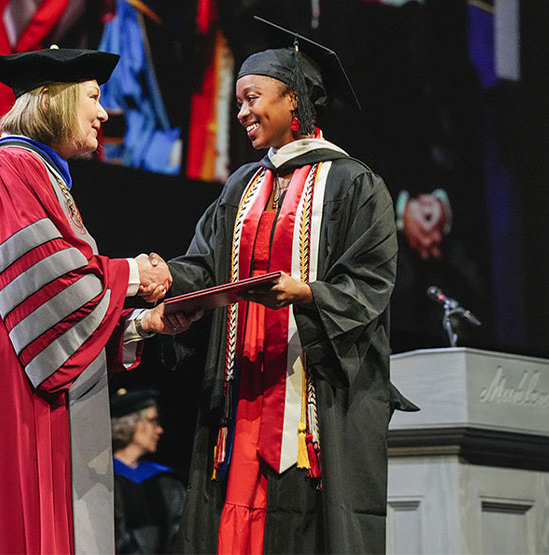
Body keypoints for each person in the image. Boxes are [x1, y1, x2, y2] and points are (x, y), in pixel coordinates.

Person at [0, 46, 193, 554]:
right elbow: (52, 288)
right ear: (55, 101)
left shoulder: (45, 176)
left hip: (23, 385)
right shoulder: (10, 166)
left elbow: (65, 306)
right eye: (94, 97)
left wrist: (141, 326)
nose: (104, 113)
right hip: (1, 391)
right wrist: (132, 273)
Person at [164, 29, 417, 554]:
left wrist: (306, 292)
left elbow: (371, 281)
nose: (242, 113)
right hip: (243, 394)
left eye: (252, 98)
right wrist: (159, 280)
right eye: (238, 103)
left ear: (293, 98)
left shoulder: (353, 184)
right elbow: (205, 266)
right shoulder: (242, 186)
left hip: (310, 399)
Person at [109, 388, 186, 554]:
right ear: (130, 424)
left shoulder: (166, 480)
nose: (159, 430)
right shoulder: (104, 484)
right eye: (153, 421)